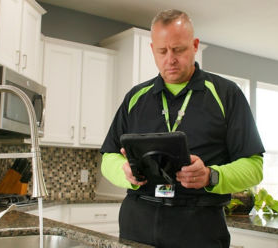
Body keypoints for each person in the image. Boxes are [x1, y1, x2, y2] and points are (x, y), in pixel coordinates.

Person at [100, 9, 265, 248]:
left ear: (195, 45)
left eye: (178, 50)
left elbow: (254, 167)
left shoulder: (227, 94)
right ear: (152, 50)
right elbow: (108, 156)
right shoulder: (135, 97)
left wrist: (211, 175)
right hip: (138, 221)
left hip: (199, 227)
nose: (170, 59)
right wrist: (124, 171)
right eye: (162, 51)